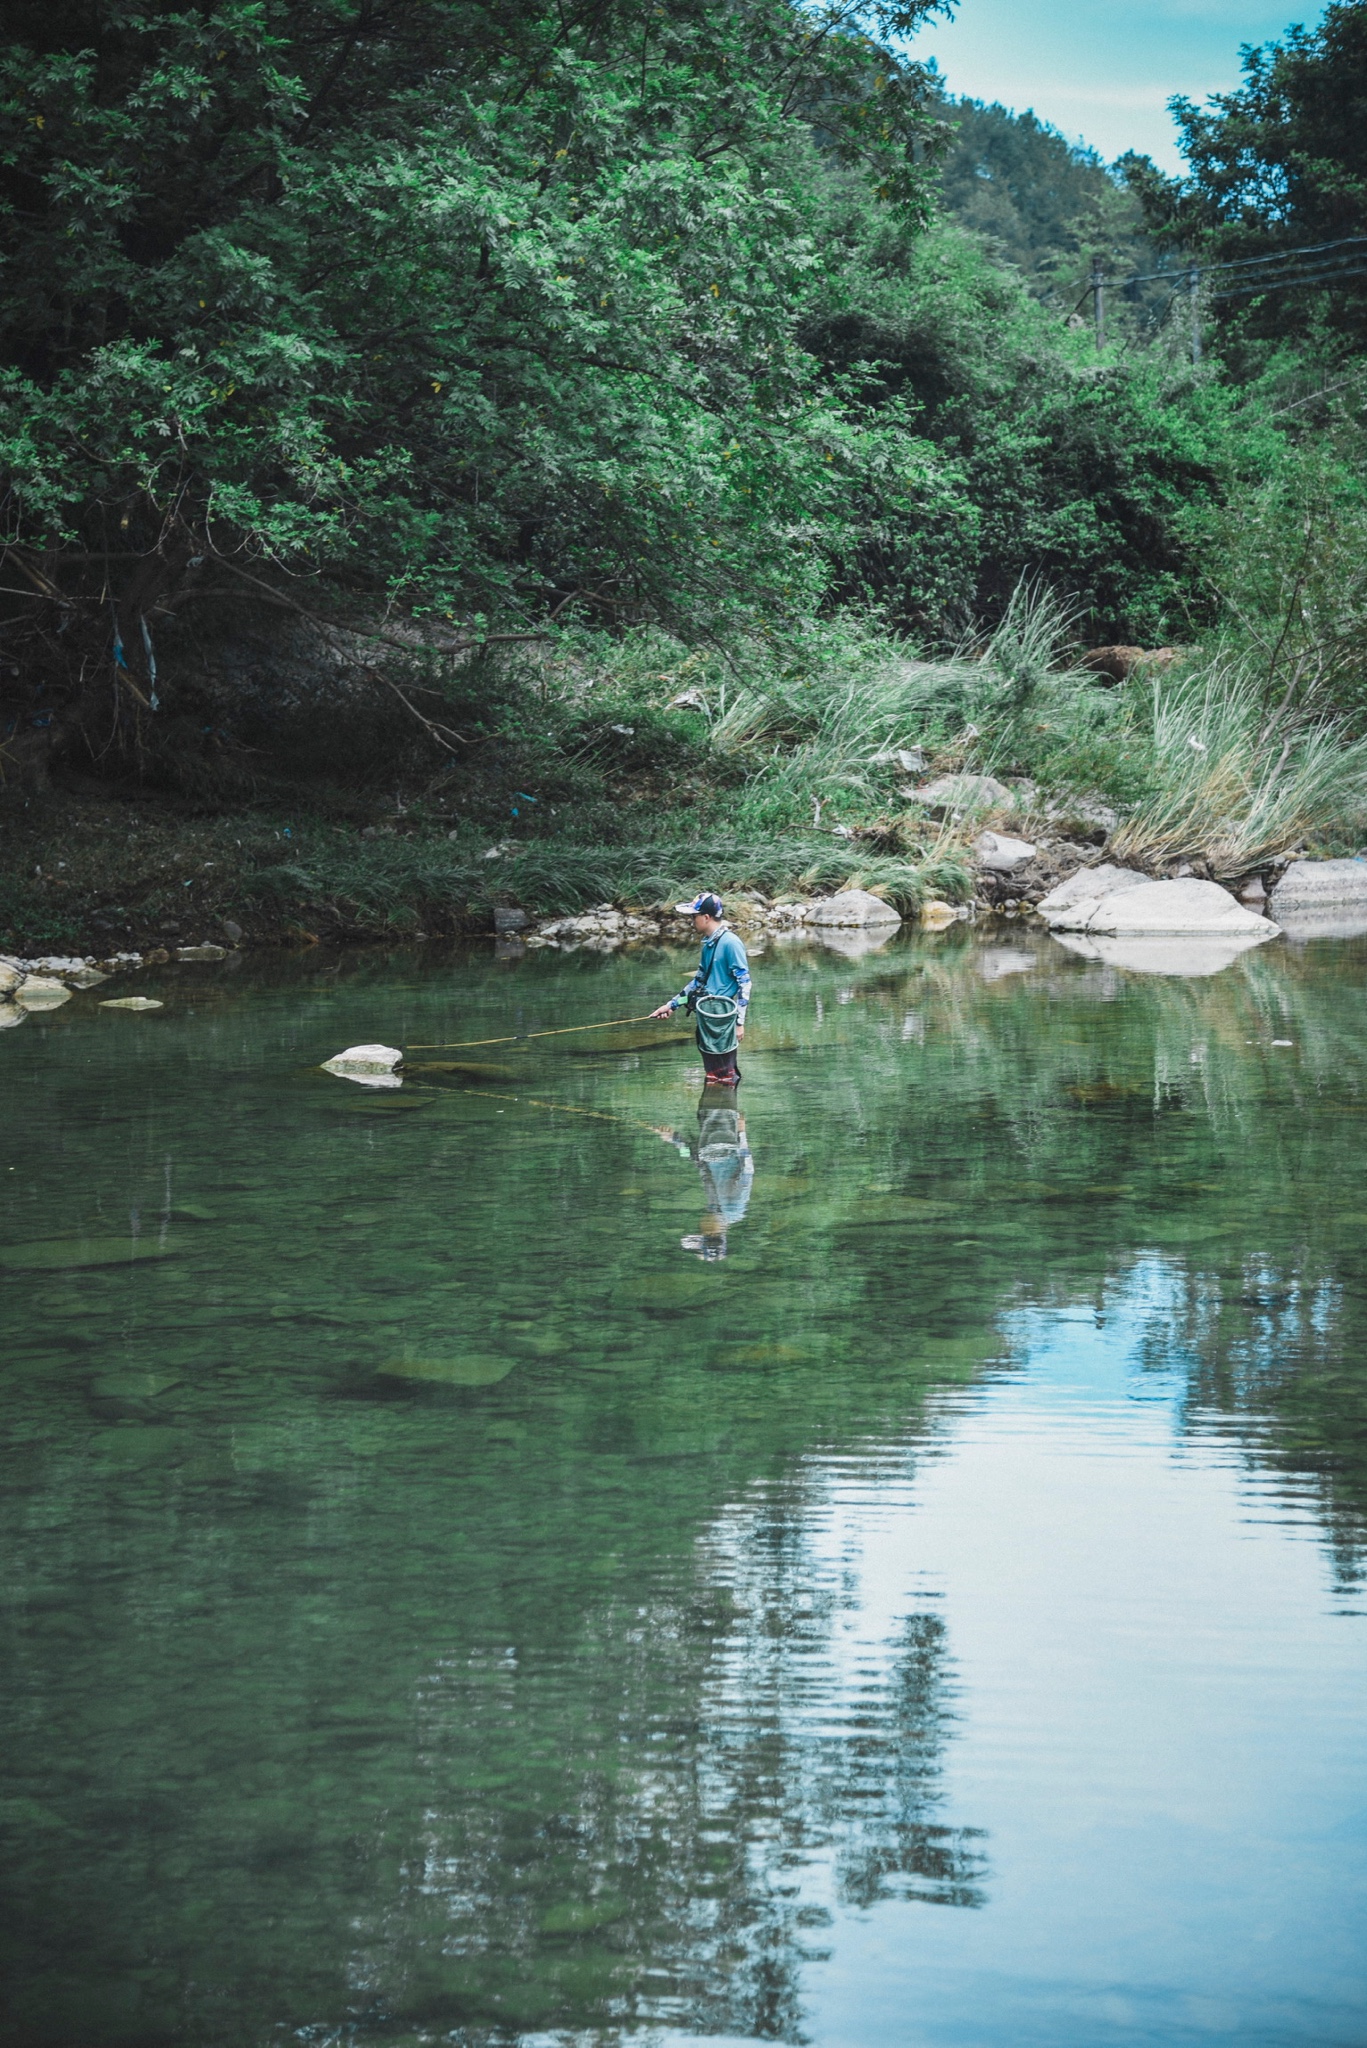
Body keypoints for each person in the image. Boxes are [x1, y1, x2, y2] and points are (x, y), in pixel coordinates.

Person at [650, 891, 751, 1085]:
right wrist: (671, 1005)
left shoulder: (731, 943)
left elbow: (744, 983)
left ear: (706, 917)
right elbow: (698, 983)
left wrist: (739, 1022)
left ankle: (727, 1111)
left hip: (722, 1018)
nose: (691, 921)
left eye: (693, 916)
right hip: (707, 1017)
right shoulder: (708, 944)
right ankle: (720, 1110)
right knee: (713, 1076)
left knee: (725, 1076)